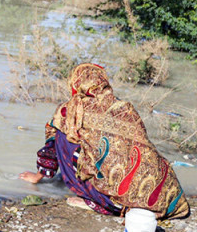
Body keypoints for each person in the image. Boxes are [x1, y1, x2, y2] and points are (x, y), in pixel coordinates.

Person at [19, 63, 188, 219]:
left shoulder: (69, 110)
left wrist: (38, 176)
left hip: (116, 201)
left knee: (61, 134)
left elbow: (51, 146)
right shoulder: (124, 108)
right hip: (163, 197)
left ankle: (94, 199)